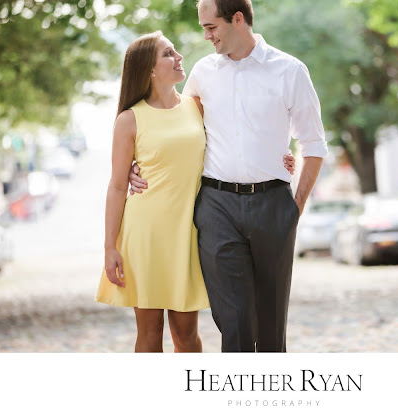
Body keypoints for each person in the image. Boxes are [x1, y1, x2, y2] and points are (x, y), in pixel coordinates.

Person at [129, 0, 327, 352]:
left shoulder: (290, 71)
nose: (206, 36)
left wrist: (294, 206)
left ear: (238, 19)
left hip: (273, 203)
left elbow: (313, 144)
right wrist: (132, 164)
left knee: (270, 324)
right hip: (217, 205)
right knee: (233, 321)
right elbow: (178, 129)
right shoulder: (203, 73)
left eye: (211, 27)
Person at [95, 29, 297, 353]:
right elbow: (118, 185)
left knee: (187, 336)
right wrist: (110, 247)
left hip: (188, 233)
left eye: (175, 51)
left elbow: (239, 138)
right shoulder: (129, 120)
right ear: (149, 69)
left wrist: (281, 155)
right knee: (149, 334)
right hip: (145, 233)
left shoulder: (196, 107)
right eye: (168, 54)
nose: (178, 58)